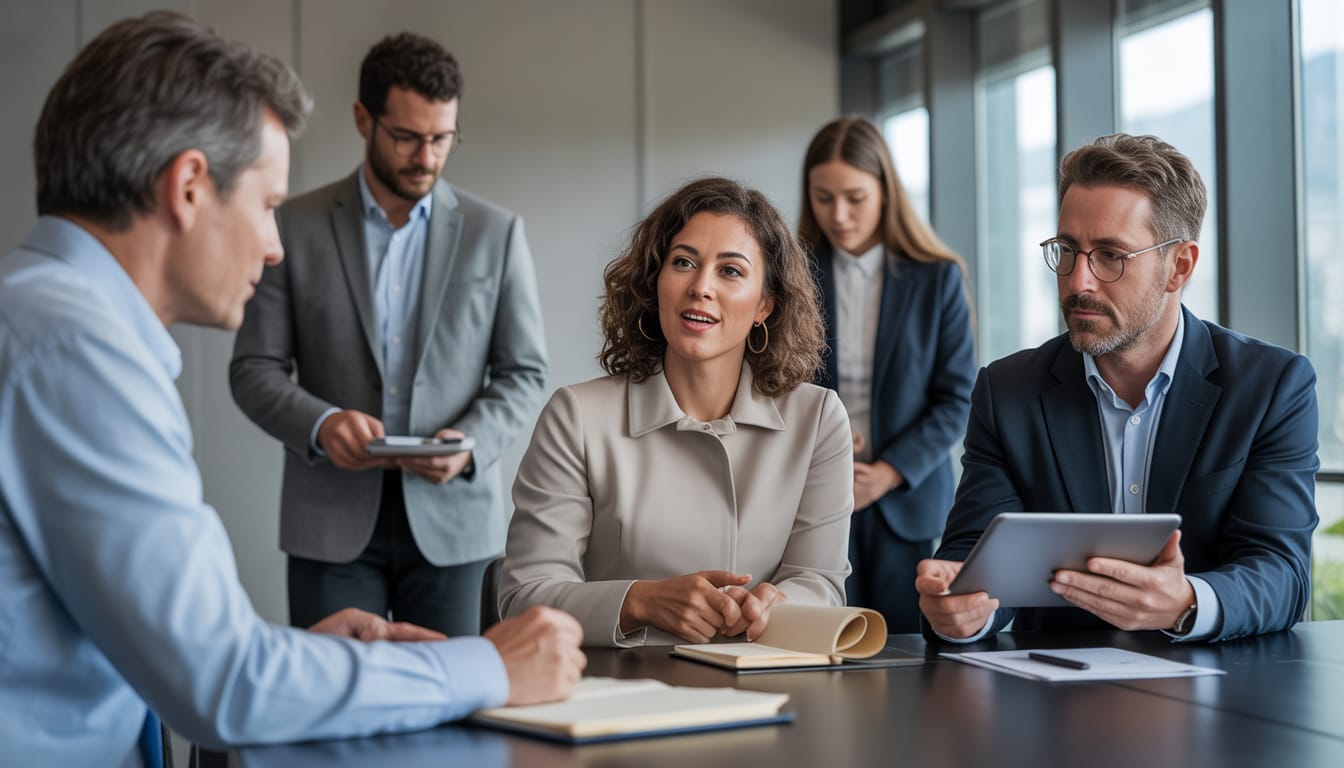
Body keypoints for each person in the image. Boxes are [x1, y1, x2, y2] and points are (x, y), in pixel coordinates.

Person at [0, 13, 583, 764]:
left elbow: (157, 643)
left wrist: (291, 656)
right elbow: (224, 685)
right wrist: (490, 667)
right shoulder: (77, 353)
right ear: (188, 186)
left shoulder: (37, 315)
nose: (276, 243)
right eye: (268, 204)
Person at [917, 133, 1319, 644]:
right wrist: (961, 609)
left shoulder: (1270, 387)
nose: (1078, 280)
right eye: (1067, 250)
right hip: (1052, 699)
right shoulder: (1007, 390)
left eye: (1110, 255)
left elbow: (1282, 572)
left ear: (1180, 267)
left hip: (1220, 689)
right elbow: (972, 557)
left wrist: (1186, 602)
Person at [230, 32, 547, 636]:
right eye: (406, 137)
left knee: (460, 710)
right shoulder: (293, 226)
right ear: (362, 120)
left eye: (441, 139)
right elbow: (253, 370)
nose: (425, 156)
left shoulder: (495, 234)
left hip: (456, 529)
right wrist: (322, 425)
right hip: (329, 525)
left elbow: (524, 372)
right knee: (336, 709)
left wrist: (472, 442)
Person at [498, 177, 854, 646]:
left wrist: (775, 605)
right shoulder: (577, 416)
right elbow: (525, 596)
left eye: (730, 271)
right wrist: (639, 602)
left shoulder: (819, 418)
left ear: (764, 304)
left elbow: (821, 582)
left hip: (765, 687)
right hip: (621, 695)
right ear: (655, 283)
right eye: (683, 262)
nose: (700, 287)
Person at [800, 117, 976, 633]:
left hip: (908, 497)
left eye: (855, 197)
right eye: (823, 197)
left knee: (909, 650)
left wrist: (888, 472)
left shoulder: (936, 277)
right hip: (817, 494)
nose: (839, 215)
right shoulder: (792, 274)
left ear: (885, 193)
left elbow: (957, 398)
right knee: (822, 642)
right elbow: (774, 380)